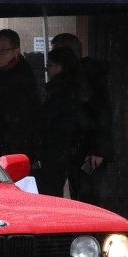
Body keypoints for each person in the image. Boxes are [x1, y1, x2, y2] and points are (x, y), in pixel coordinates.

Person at [52, 32, 113, 204]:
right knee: (79, 194)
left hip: (86, 150)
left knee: (88, 196)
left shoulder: (88, 77)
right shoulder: (72, 78)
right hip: (75, 148)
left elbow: (101, 113)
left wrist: (98, 150)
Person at [0, 19, 41, 163]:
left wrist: (10, 154)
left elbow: (22, 125)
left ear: (16, 51)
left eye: (3, 51)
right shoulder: (3, 69)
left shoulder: (21, 77)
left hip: (16, 154)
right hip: (3, 152)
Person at [37, 47, 95, 198]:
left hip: (59, 150)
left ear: (60, 67)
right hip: (71, 150)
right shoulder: (77, 88)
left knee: (53, 192)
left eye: (49, 65)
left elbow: (55, 121)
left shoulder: (60, 92)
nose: (47, 69)